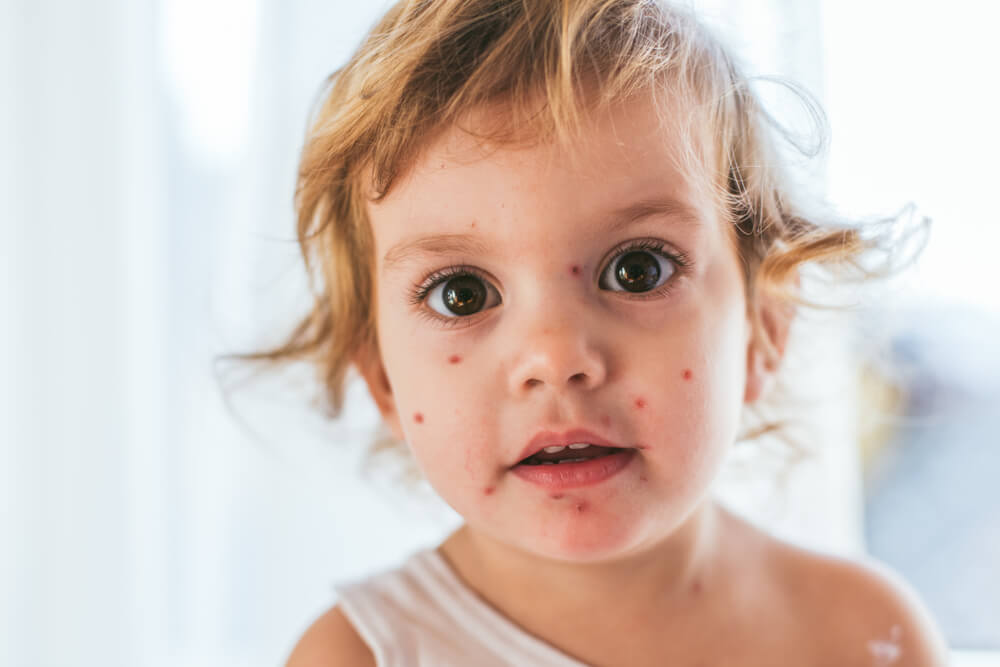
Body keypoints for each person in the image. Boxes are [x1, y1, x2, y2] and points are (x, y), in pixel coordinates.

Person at [261, 0, 948, 664]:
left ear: (762, 328)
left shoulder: (863, 639)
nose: (556, 359)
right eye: (461, 293)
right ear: (381, 374)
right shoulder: (359, 657)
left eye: (638, 269)